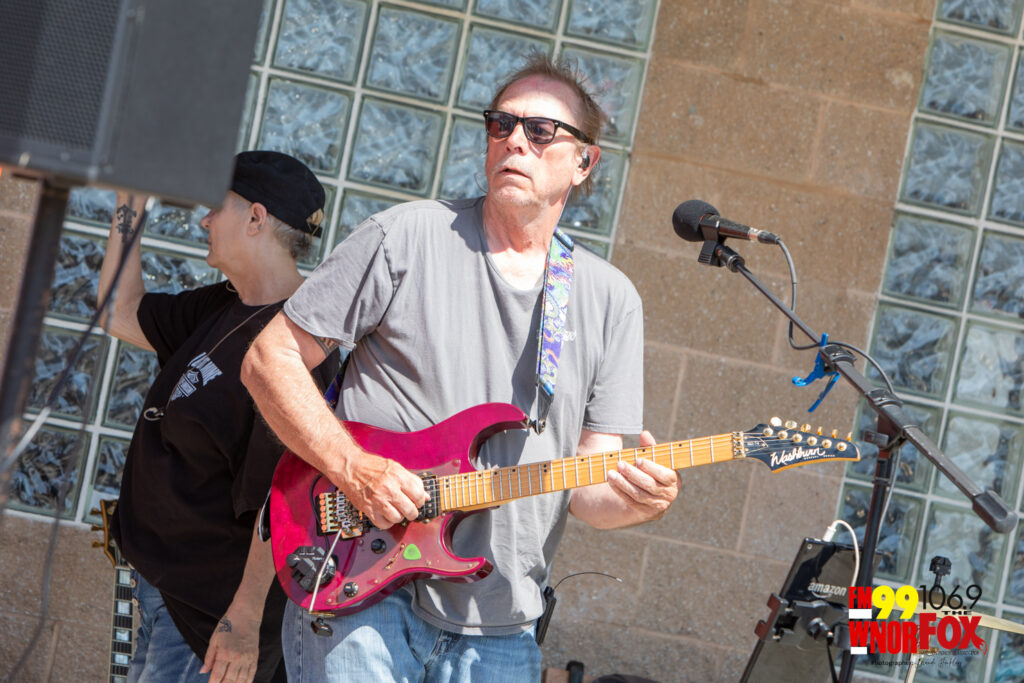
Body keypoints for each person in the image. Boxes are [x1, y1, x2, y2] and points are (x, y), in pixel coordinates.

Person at [241, 55, 681, 682]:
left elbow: (588, 488)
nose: (515, 141)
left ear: (585, 162)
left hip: (500, 623)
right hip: (361, 582)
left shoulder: (610, 299)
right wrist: (353, 468)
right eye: (502, 124)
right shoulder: (406, 236)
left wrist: (640, 502)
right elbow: (270, 359)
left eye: (541, 131)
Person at [97, 150, 336, 683]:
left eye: (215, 208)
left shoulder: (299, 343)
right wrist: (129, 201)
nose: (204, 220)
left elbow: (282, 501)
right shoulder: (223, 305)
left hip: (211, 624)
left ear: (256, 218)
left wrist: (242, 620)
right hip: (165, 594)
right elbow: (118, 310)